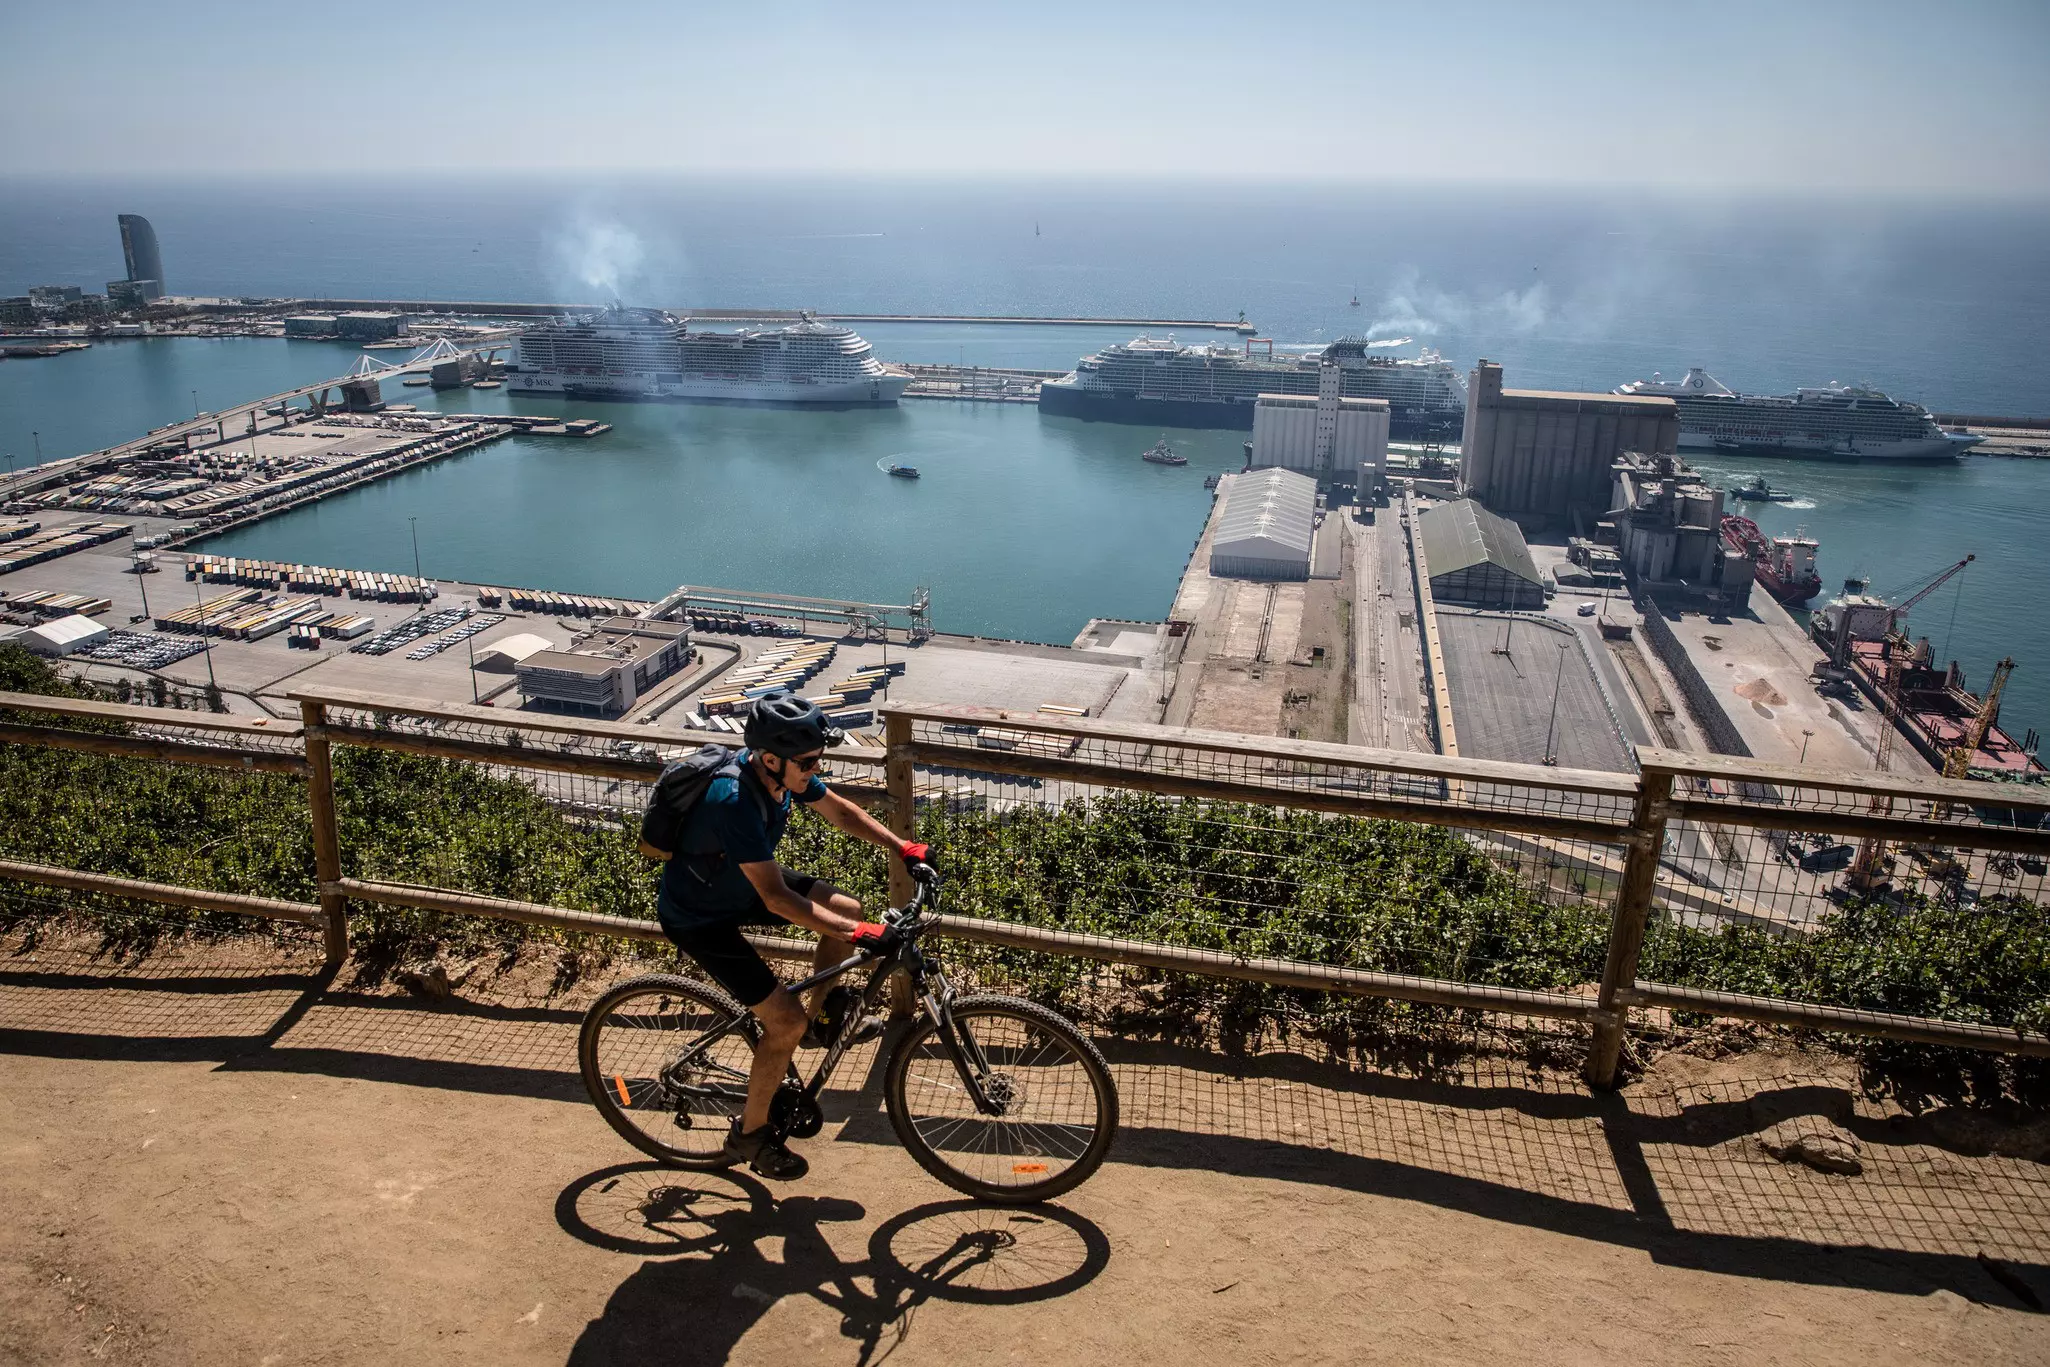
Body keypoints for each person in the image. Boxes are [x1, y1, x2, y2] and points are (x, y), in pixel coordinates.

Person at [655, 690, 931, 1181]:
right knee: (783, 1023)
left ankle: (822, 1014)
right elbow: (777, 899)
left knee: (845, 906)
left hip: (737, 887)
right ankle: (751, 1136)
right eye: (807, 761)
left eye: (817, 759)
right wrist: (861, 934)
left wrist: (902, 845)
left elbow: (840, 811)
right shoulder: (734, 799)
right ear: (768, 758)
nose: (814, 768)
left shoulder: (781, 776)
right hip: (700, 915)